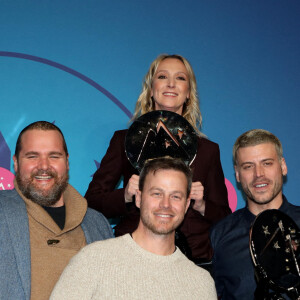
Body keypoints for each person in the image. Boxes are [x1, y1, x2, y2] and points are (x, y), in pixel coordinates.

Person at [85, 54, 231, 261]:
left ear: (189, 92)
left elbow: (225, 216)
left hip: (193, 260)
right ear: (151, 89)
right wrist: (125, 195)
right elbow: (91, 202)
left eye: (180, 78)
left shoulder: (208, 150)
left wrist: (202, 204)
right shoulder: (124, 141)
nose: (171, 84)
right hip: (132, 255)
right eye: (162, 77)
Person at [50, 157, 217, 299]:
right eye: (157, 193)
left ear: (187, 205)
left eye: (175, 196)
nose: (165, 204)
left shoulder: (201, 283)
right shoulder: (93, 260)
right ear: (138, 198)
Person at [0, 121, 113, 300]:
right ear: (15, 163)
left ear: (67, 162)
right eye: (32, 156)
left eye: (54, 156)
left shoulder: (98, 224)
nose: (44, 166)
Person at [210, 129, 300, 299]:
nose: (259, 174)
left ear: (283, 166)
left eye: (267, 163)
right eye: (248, 166)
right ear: (237, 174)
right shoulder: (219, 235)